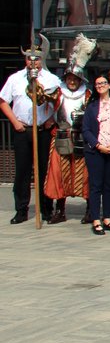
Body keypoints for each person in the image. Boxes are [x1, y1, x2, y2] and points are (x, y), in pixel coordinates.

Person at [0, 42, 61, 224]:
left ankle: (46, 208)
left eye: (36, 58)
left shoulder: (51, 79)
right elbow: (3, 101)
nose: (33, 62)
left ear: (41, 59)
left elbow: (59, 102)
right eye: (29, 58)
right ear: (25, 60)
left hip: (43, 130)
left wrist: (52, 119)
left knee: (44, 170)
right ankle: (21, 209)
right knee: (22, 172)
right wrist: (15, 122)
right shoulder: (15, 79)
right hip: (23, 130)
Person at [81, 73, 110, 234]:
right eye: (97, 84)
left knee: (109, 186)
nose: (100, 86)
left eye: (103, 83)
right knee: (96, 186)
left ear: (109, 85)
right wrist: (98, 145)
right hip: (95, 151)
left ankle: (107, 218)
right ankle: (95, 219)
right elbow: (85, 129)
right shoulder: (91, 106)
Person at [46, 67, 90, 223]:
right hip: (61, 136)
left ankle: (90, 209)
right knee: (59, 174)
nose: (72, 82)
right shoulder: (57, 93)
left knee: (85, 174)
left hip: (81, 137)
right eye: (69, 79)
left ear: (80, 80)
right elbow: (39, 97)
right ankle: (60, 210)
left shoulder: (87, 95)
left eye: (75, 79)